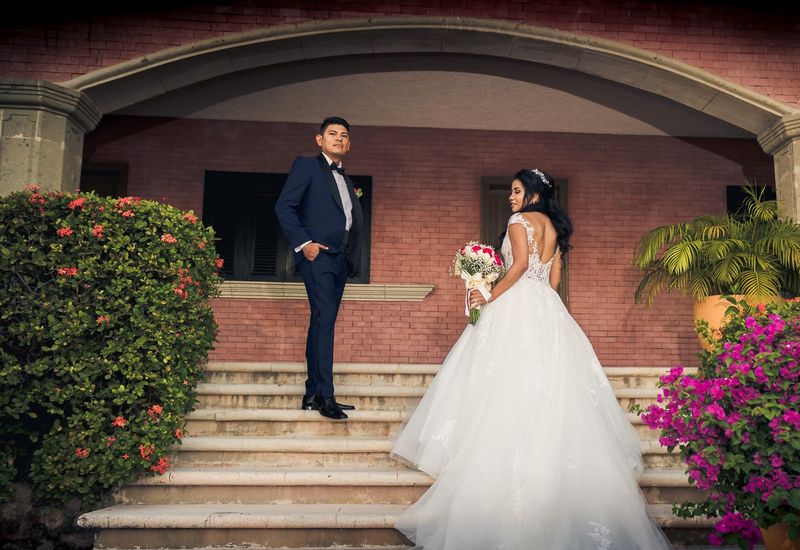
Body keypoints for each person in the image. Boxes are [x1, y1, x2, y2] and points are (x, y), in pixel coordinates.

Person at [390, 169, 671, 549]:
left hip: (518, 304)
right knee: (551, 389)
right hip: (549, 309)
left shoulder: (518, 221)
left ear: (533, 194)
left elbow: (519, 266)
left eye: (516, 190)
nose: (511, 197)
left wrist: (488, 293)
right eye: (510, 191)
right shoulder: (556, 229)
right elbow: (552, 283)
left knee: (504, 381)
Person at [274, 116, 364, 420]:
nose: (338, 138)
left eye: (343, 135)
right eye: (332, 133)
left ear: (349, 144)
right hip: (318, 257)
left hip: (340, 259)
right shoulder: (307, 165)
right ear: (319, 139)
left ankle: (312, 393)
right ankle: (326, 397)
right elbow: (284, 206)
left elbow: (349, 221)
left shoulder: (346, 179)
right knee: (324, 323)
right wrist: (304, 244)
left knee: (321, 323)